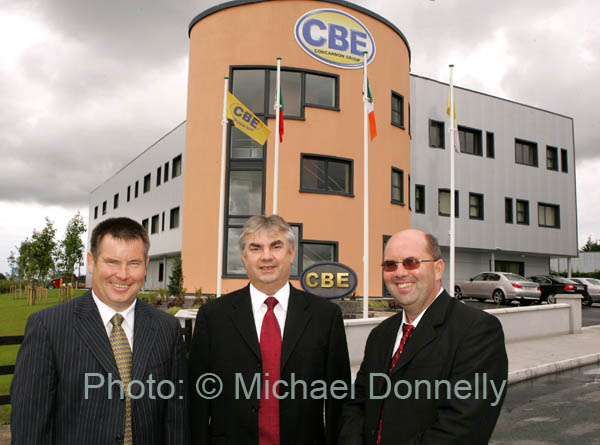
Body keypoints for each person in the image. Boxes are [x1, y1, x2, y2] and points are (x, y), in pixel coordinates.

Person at [11, 217, 189, 444]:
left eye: (134, 263)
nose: (123, 274)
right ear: (92, 262)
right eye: (112, 262)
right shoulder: (48, 328)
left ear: (145, 264)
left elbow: (176, 421)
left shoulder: (167, 328)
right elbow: (30, 428)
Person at [189, 214, 351, 444]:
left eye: (276, 246)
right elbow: (197, 401)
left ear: (291, 253)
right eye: (256, 248)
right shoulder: (213, 317)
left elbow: (339, 399)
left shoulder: (325, 317)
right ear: (244, 257)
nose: (267, 257)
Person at [339, 229, 508, 444]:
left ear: (438, 269)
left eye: (411, 262)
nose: (399, 273)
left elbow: (462, 428)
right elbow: (358, 403)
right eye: (390, 265)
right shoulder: (380, 335)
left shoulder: (477, 331)